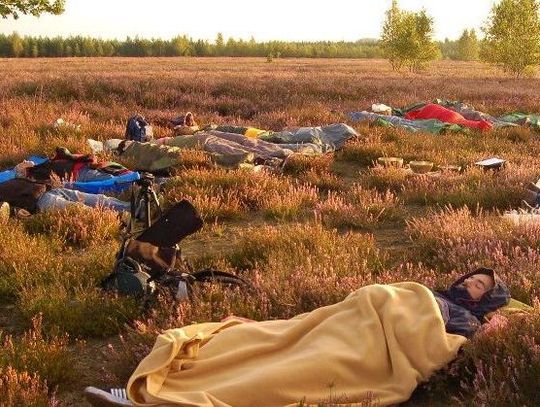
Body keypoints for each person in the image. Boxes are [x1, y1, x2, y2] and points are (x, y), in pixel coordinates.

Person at [83, 268, 511, 407]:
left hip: (365, 347)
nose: (469, 284)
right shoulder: (428, 292)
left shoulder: (467, 323)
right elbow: (375, 300)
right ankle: (151, 385)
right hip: (344, 322)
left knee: (296, 371)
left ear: (486, 302)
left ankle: (165, 399)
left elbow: (434, 345)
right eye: (471, 278)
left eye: (479, 287)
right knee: (245, 340)